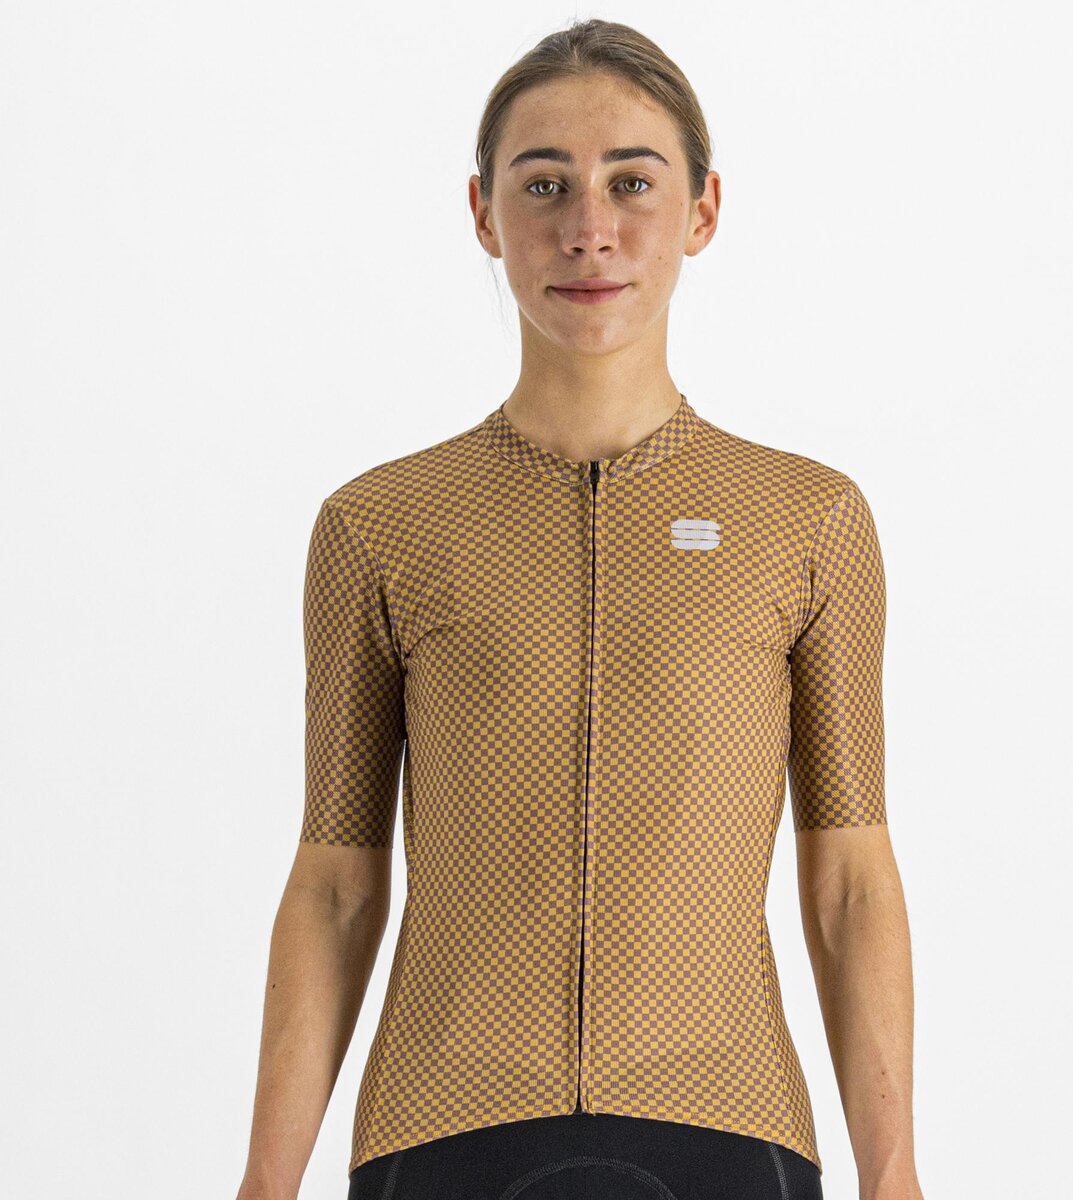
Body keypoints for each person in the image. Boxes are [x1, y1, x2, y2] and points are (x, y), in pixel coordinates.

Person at [236, 18, 924, 1200]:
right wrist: (264, 1181)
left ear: (703, 210)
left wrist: (895, 1177)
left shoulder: (806, 520)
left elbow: (851, 878)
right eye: (544, 183)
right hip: (442, 1132)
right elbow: (337, 881)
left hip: (726, 1130)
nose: (588, 229)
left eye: (632, 183)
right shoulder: (381, 524)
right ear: (483, 212)